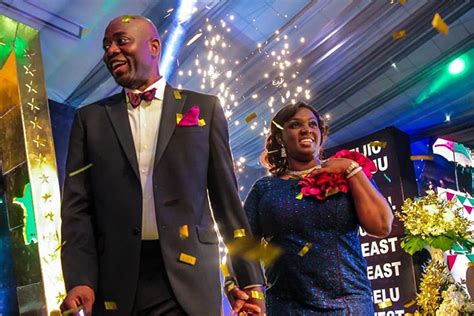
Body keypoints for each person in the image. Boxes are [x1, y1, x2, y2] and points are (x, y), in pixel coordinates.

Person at [60, 15, 265, 316]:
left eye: (121, 41)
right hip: (114, 281)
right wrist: (79, 279)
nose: (111, 51)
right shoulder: (89, 119)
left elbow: (228, 203)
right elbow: (77, 209)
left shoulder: (203, 108)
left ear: (154, 46)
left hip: (190, 278)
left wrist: (250, 282)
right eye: (106, 46)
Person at [244, 102, 393, 314]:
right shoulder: (265, 189)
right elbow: (241, 244)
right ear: (280, 137)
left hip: (349, 306)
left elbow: (381, 226)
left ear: (321, 134)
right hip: (286, 307)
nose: (307, 129)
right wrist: (250, 292)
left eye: (313, 124)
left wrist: (351, 169)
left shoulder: (347, 173)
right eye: (295, 124)